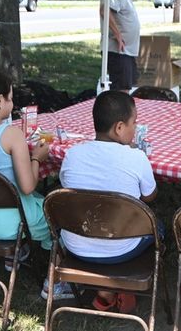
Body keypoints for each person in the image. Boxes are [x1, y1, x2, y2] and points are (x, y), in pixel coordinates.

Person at [0, 70, 72, 300]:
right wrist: (37, 157)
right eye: (10, 97)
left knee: (11, 195)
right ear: (0, 101)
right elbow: (27, 187)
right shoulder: (11, 135)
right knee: (58, 217)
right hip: (10, 222)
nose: (13, 101)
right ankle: (53, 285)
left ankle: (13, 256)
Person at [59, 90, 157, 313]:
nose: (136, 128)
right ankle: (122, 284)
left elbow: (69, 191)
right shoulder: (136, 157)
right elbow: (150, 196)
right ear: (119, 128)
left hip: (75, 246)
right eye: (135, 122)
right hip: (122, 247)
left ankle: (104, 291)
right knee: (158, 227)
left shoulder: (72, 154)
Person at [100, 0, 141, 92]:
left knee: (125, 87)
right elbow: (105, 10)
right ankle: (119, 113)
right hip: (118, 50)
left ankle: (122, 111)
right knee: (120, 89)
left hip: (126, 51)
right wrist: (117, 35)